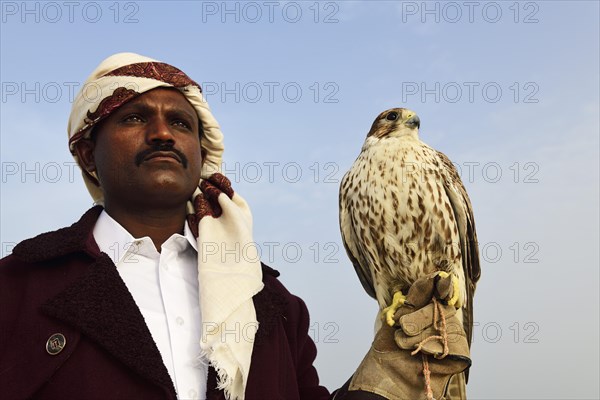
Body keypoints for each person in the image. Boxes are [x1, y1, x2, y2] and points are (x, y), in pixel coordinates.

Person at [0, 53, 467, 400]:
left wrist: (387, 385)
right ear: (87, 155)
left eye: (181, 122)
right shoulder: (18, 289)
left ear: (202, 155)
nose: (163, 133)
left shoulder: (269, 301)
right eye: (135, 117)